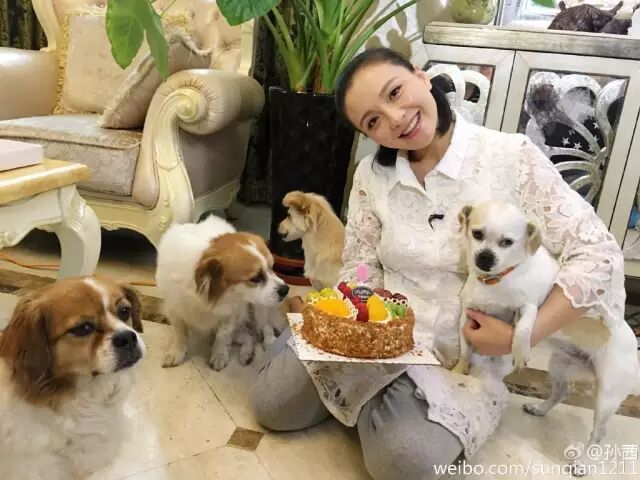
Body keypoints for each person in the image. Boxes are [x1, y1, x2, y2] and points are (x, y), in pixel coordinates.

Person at [250, 48, 625, 480]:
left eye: (395, 92)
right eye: (372, 121)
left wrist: (522, 335)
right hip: (377, 333)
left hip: (457, 358)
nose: (395, 119)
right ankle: (375, 397)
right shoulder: (372, 175)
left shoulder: (512, 157)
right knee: (271, 404)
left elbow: (598, 254)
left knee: (404, 462)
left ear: (420, 76)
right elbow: (360, 263)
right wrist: (357, 315)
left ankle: (387, 406)